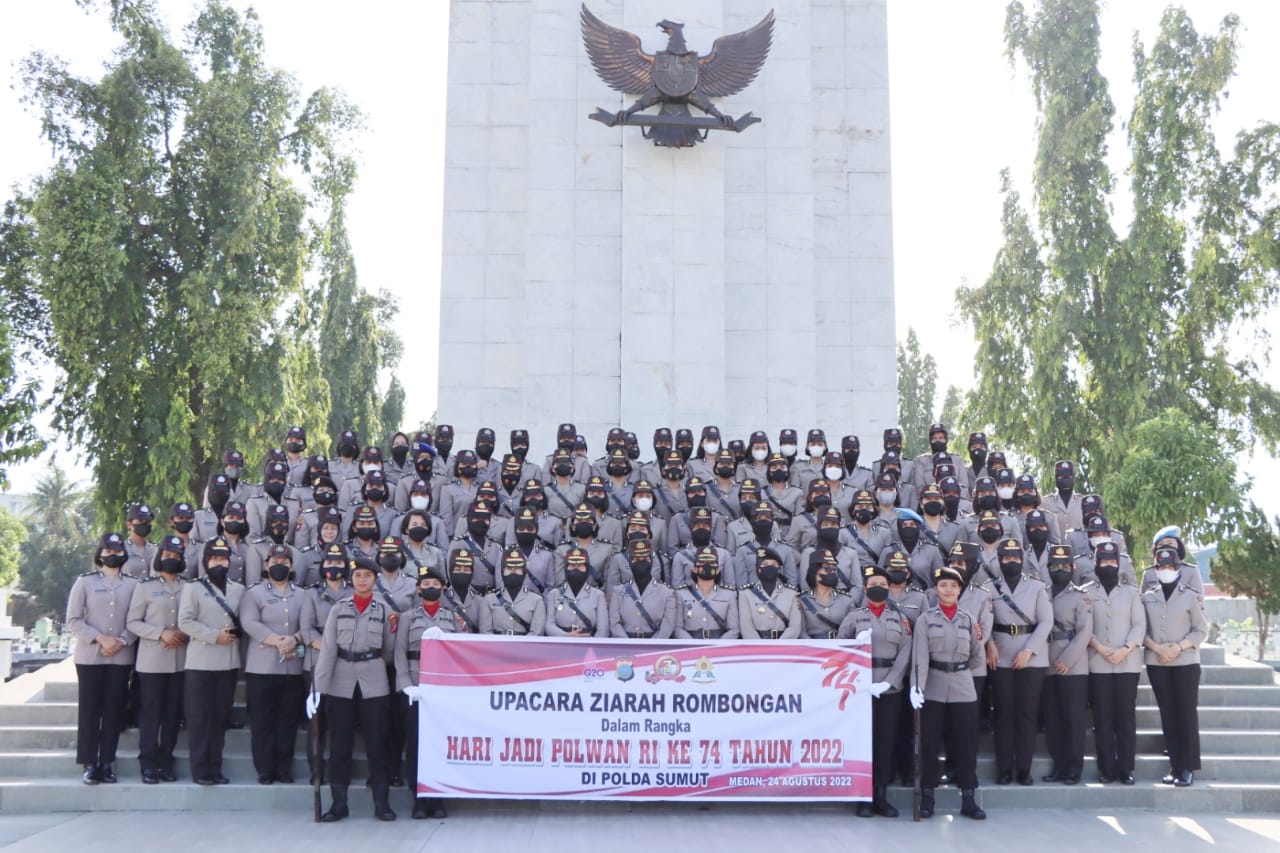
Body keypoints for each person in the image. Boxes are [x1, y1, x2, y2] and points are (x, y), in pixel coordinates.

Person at [310, 555, 397, 821]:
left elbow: (390, 651)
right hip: (341, 680)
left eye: (367, 576)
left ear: (375, 579)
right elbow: (327, 651)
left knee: (377, 743)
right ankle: (339, 804)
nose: (362, 580)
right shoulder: (339, 608)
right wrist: (318, 689)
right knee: (340, 745)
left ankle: (381, 803)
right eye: (358, 575)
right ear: (352, 578)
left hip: (374, 680)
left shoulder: (384, 611)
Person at [909, 564, 986, 820]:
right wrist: (916, 687)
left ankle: (968, 798)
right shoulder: (925, 619)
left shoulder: (968, 620)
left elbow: (977, 656)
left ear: (960, 590)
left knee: (965, 744)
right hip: (933, 685)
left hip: (963, 687)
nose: (948, 589)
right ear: (935, 589)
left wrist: (959, 671)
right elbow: (920, 657)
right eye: (943, 585)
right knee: (929, 745)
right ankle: (928, 797)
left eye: (953, 586)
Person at [839, 564, 912, 817]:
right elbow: (842, 650)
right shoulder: (854, 616)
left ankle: (881, 795)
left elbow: (905, 651)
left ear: (889, 588)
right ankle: (863, 796)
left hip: (889, 688)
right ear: (865, 588)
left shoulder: (899, 618)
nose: (878, 588)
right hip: (860, 689)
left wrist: (891, 681)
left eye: (883, 584)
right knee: (863, 742)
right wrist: (854, 648)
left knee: (885, 741)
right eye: (873, 585)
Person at [67, 532, 139, 785]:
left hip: (120, 655)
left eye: (117, 551)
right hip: (90, 656)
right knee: (89, 711)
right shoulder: (84, 582)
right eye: (107, 551)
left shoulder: (133, 584)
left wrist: (120, 640)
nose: (112, 555)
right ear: (100, 554)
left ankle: (107, 761)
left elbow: (137, 619)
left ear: (123, 554)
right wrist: (100, 638)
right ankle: (89, 762)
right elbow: (73, 619)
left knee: (113, 711)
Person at [395, 564, 463, 819]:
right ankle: (418, 798)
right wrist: (405, 685)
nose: (431, 588)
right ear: (418, 588)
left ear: (442, 588)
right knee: (415, 745)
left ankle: (437, 798)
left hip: (444, 689)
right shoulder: (407, 618)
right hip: (416, 686)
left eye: (436, 584)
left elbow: (460, 653)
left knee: (440, 744)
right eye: (426, 584)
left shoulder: (451, 618)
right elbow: (399, 652)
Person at [239, 543, 307, 785]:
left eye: (285, 562)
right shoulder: (254, 593)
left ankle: (283, 768)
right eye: (275, 562)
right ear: (267, 565)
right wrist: (276, 640)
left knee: (288, 721)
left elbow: (308, 623)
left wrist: (295, 639)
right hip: (262, 667)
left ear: (291, 566)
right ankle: (265, 769)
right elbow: (249, 622)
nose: (279, 566)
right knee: (262, 721)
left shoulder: (302, 594)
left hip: (292, 667)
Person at [179, 537, 244, 786]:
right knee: (199, 719)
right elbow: (185, 621)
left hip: (228, 663)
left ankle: (215, 768)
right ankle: (200, 770)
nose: (219, 563)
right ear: (206, 561)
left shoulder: (238, 589)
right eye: (215, 558)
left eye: (223, 558)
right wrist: (214, 636)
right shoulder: (194, 588)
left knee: (219, 719)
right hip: (201, 662)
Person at [987, 538, 1052, 786]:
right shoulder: (990, 588)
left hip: (1031, 658)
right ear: (1000, 560)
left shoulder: (1036, 587)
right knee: (1003, 713)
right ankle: (1004, 769)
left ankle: (1024, 769)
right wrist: (989, 643)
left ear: (1021, 560)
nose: (1011, 561)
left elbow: (1046, 621)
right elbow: (985, 621)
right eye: (1006, 558)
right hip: (1000, 656)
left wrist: (1030, 650)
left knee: (1026, 714)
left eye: (1015, 558)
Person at [1142, 547, 1208, 787]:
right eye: (1161, 567)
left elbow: (1201, 630)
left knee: (1186, 714)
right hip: (1157, 662)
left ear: (1178, 569)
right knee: (1167, 714)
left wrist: (1177, 647)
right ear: (1156, 569)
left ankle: (1188, 766)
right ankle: (1175, 765)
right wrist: (1159, 649)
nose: (1166, 571)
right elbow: (1143, 630)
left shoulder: (1190, 596)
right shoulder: (1148, 596)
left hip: (1185, 662)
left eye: (1170, 567)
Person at [125, 535, 189, 784]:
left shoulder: (190, 586)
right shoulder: (145, 587)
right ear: (159, 558)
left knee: (173, 714)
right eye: (167, 555)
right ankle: (148, 762)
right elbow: (132, 622)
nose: (171, 559)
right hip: (152, 661)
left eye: (176, 556)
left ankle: (166, 760)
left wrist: (183, 633)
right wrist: (161, 633)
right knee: (150, 713)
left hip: (180, 659)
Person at [1086, 541, 1145, 785]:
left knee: (1125, 718)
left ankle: (1126, 768)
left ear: (1118, 565)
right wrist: (1099, 647)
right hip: (1098, 662)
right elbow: (1082, 626)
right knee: (1102, 718)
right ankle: (1106, 768)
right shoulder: (1086, 591)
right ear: (1096, 564)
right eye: (1104, 561)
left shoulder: (1131, 593)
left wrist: (1126, 649)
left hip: (1127, 663)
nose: (1108, 565)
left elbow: (1139, 625)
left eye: (1112, 562)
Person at [1041, 546, 1092, 785]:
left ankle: (1074, 767)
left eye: (1064, 565)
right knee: (1054, 718)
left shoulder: (1080, 595)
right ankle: (1058, 766)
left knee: (1073, 718)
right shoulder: (1043, 592)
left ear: (1073, 567)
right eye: (1055, 565)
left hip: (1074, 664)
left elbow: (1084, 631)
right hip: (1047, 660)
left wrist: (1067, 660)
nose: (1059, 569)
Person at [608, 539, 676, 638]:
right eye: (636, 559)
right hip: (625, 647)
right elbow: (614, 624)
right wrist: (628, 644)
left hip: (654, 646)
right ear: (630, 562)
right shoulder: (618, 591)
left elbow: (667, 625)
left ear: (651, 561)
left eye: (645, 558)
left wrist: (650, 646)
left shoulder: (666, 593)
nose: (641, 561)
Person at [674, 548, 740, 639]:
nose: (707, 566)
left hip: (719, 644)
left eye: (712, 563)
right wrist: (692, 645)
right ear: (694, 568)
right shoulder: (681, 594)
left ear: (718, 569)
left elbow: (734, 629)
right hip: (691, 644)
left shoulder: (729, 594)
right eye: (702, 563)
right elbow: (677, 628)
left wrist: (718, 646)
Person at [480, 547, 547, 635]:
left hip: (525, 646)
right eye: (509, 568)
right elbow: (485, 632)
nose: (513, 571)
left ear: (524, 573)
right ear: (502, 572)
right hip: (496, 646)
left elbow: (536, 633)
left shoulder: (536, 600)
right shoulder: (489, 599)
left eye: (517, 568)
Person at [545, 547, 609, 637]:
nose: (576, 569)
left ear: (587, 569)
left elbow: (603, 629)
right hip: (561, 643)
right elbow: (549, 625)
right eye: (572, 566)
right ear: (566, 568)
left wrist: (592, 645)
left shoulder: (598, 595)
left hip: (589, 644)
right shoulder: (554, 594)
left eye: (580, 566)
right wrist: (565, 636)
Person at [738, 549, 801, 639]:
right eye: (765, 564)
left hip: (784, 646)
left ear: (779, 570)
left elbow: (795, 627)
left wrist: (780, 646)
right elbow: (747, 628)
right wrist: (760, 648)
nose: (770, 567)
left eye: (774, 565)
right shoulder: (746, 593)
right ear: (758, 569)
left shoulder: (791, 593)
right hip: (757, 647)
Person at [798, 554, 855, 638]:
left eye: (834, 569)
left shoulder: (847, 600)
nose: (831, 572)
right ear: (815, 573)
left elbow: (852, 629)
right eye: (827, 569)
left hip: (841, 647)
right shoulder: (802, 600)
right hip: (812, 647)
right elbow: (801, 632)